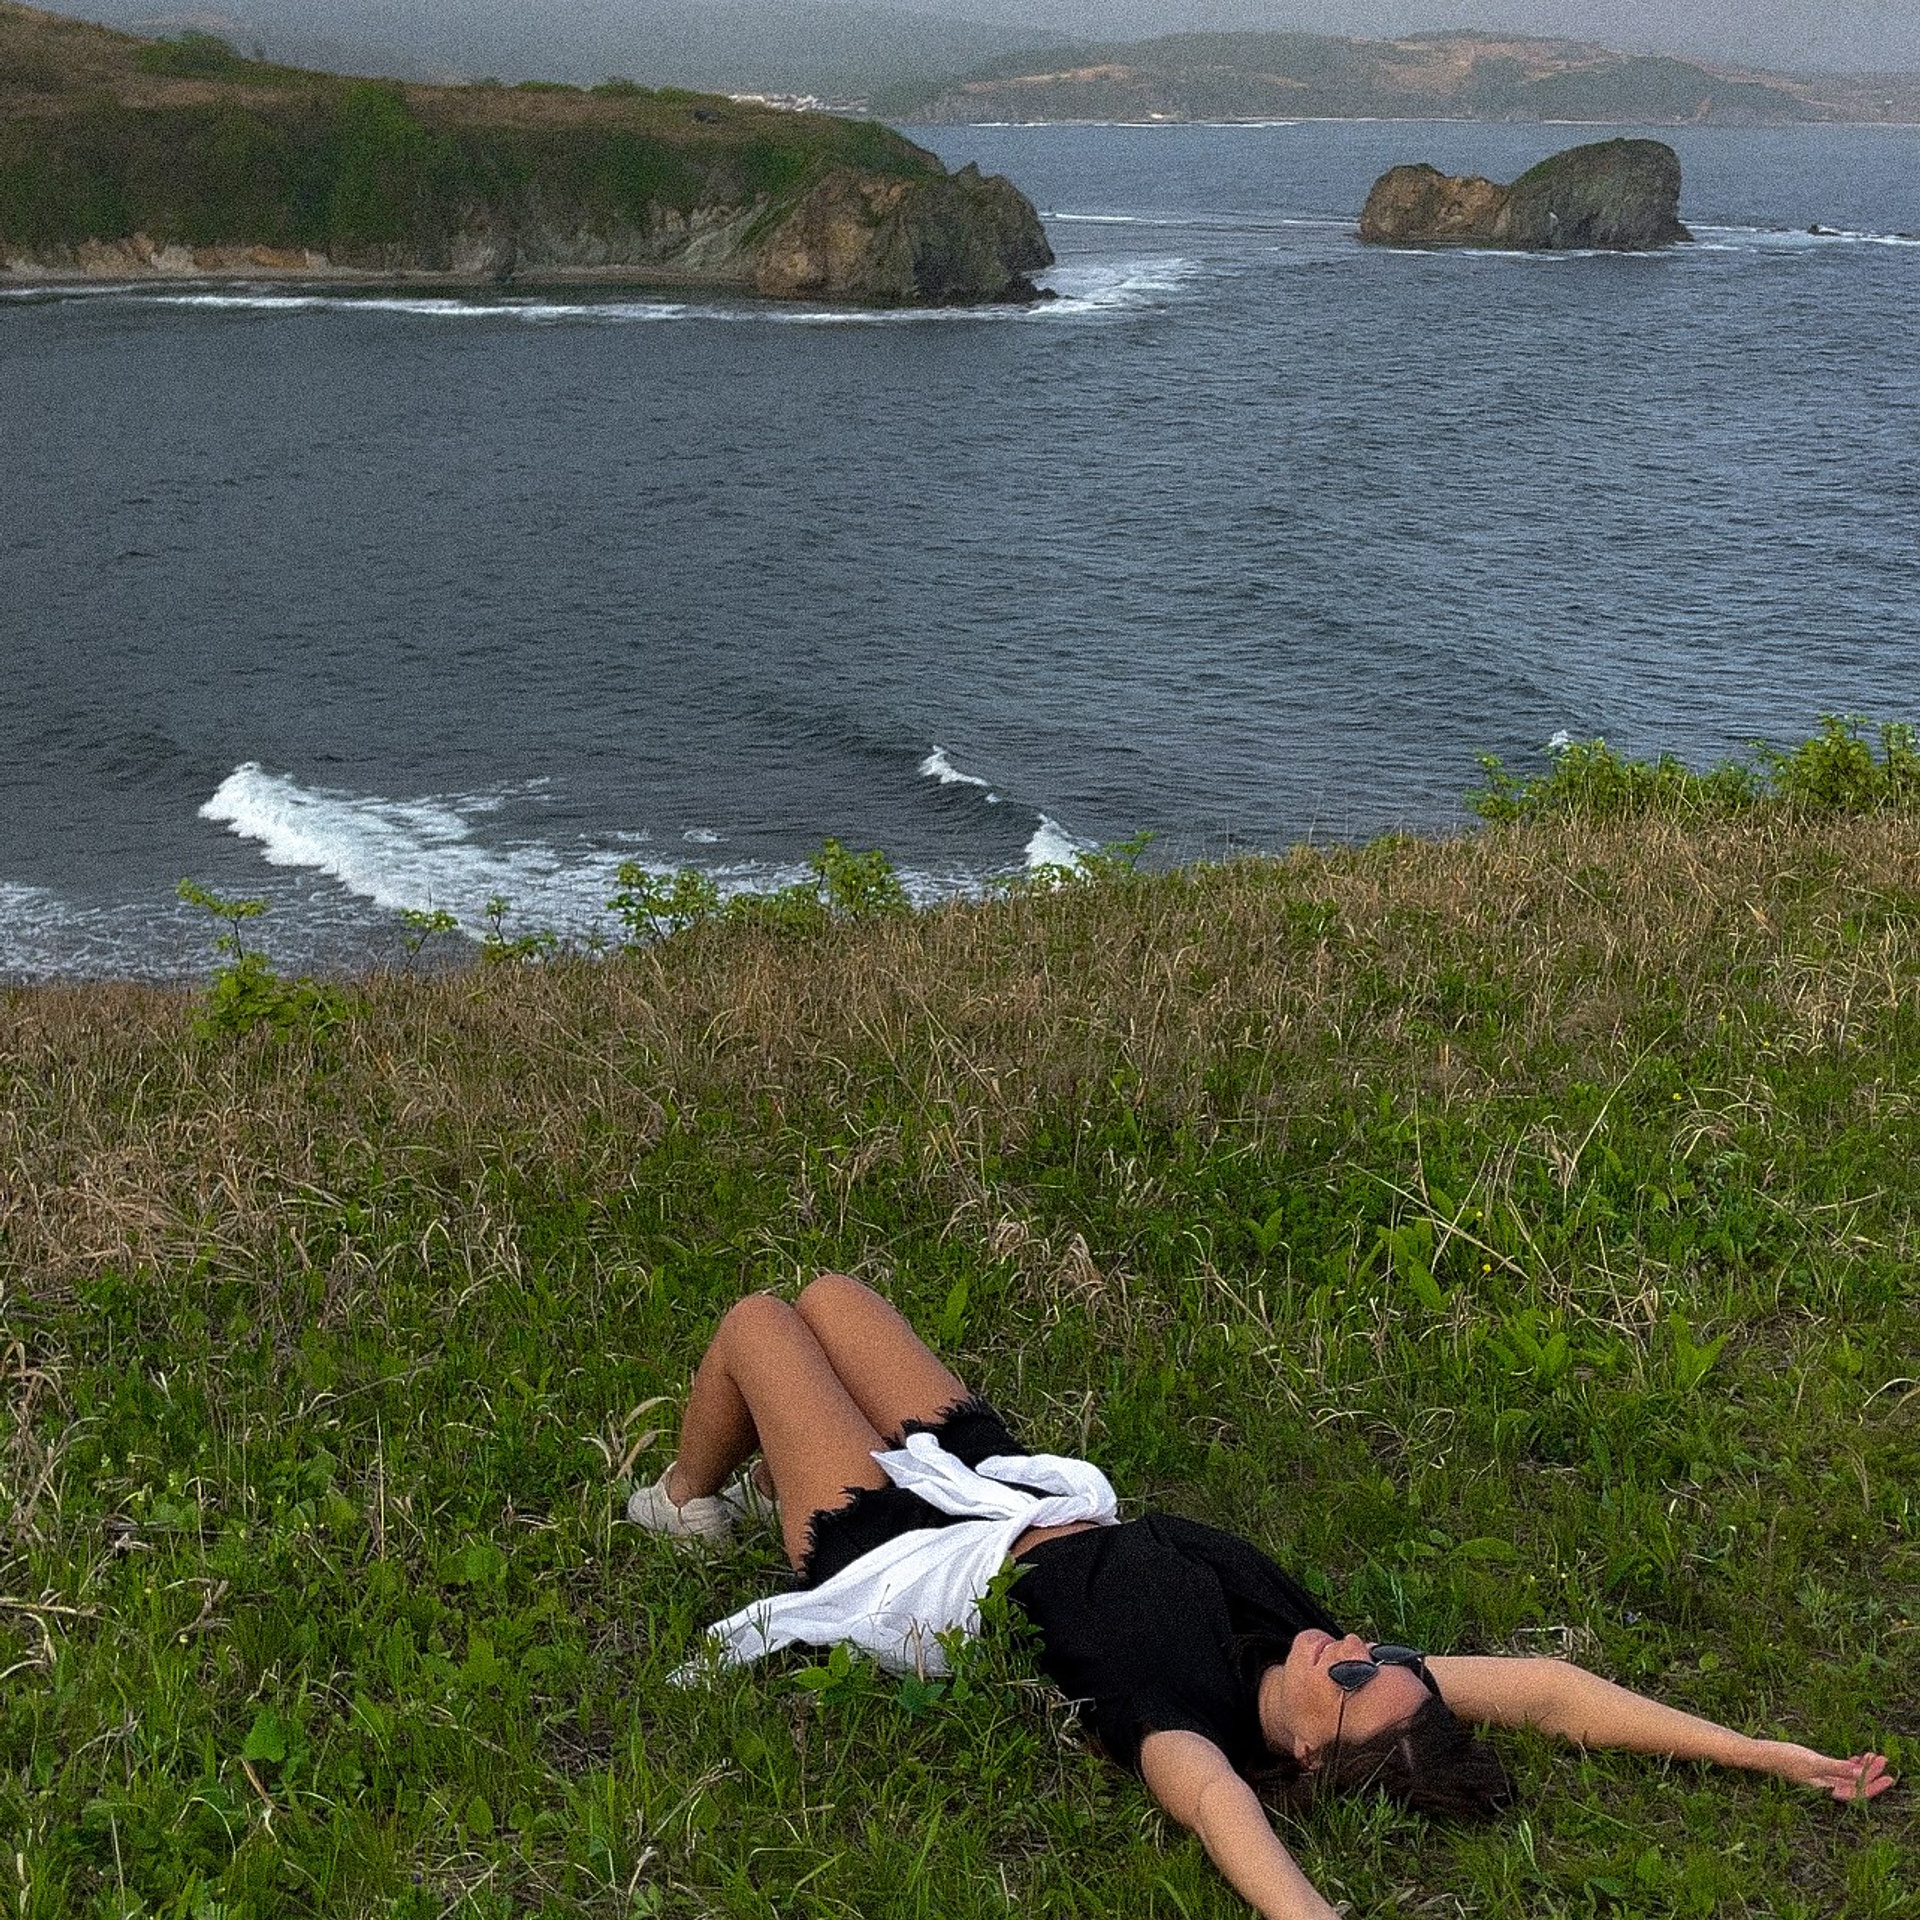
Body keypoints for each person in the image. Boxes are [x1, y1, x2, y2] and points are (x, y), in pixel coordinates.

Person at [628, 1274, 1894, 1920]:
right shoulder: (1307, 1657)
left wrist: (1310, 1911)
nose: (1351, 1642)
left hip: (905, 1549)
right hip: (1014, 1490)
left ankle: (687, 1502)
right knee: (838, 1298)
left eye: (1352, 1675)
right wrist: (1770, 1755)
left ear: (1302, 1743)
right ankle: (734, 1470)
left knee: (760, 1323)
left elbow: (1225, 1817)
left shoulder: (1184, 1722)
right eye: (1378, 1649)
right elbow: (1553, 1694)